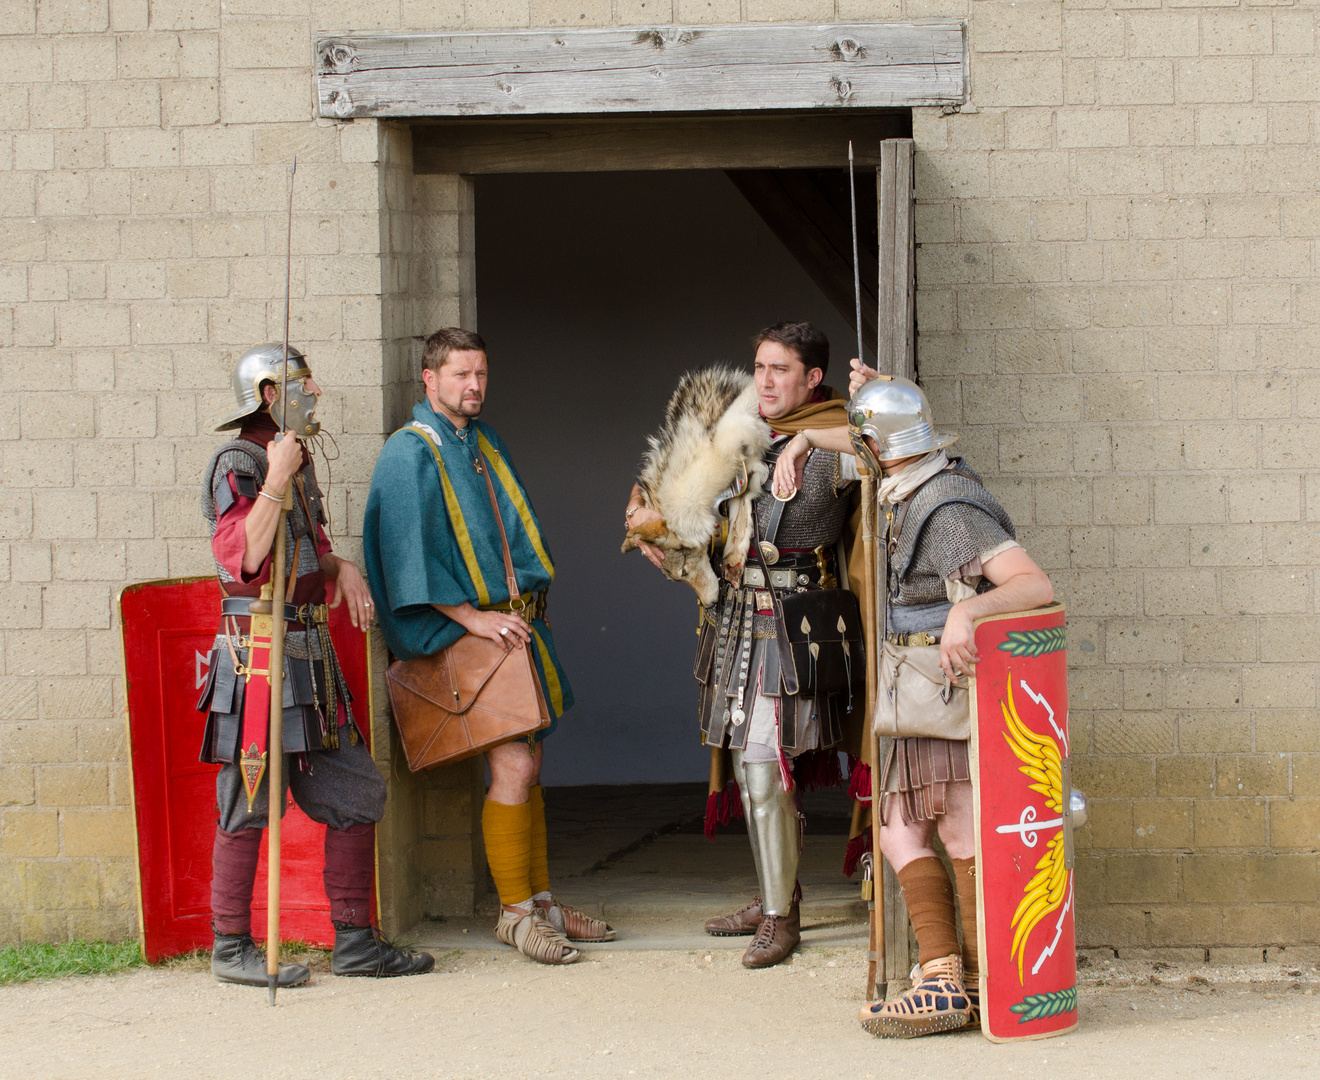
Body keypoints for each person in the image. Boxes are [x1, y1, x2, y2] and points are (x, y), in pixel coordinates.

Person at [363, 327, 609, 966]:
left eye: (480, 375)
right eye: (460, 376)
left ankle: (542, 901)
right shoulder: (408, 452)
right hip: (474, 636)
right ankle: (516, 914)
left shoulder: (479, 440)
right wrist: (469, 617)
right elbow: (402, 554)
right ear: (429, 379)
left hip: (512, 630)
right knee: (515, 767)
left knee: (530, 764)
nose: (473, 387)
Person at [626, 322, 867, 969]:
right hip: (735, 617)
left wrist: (811, 438)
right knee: (749, 767)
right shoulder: (740, 437)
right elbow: (695, 511)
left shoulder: (832, 438)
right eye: (758, 367)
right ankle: (772, 898)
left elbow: (891, 446)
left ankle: (781, 918)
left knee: (764, 771)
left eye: (779, 369)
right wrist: (659, 522)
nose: (762, 380)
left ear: (813, 379)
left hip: (794, 624)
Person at [199, 342, 435, 988]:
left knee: (359, 791)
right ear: (272, 396)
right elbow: (243, 558)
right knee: (248, 802)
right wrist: (274, 478)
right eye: (305, 385)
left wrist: (342, 566)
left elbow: (308, 553)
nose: (319, 395)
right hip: (259, 659)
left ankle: (357, 943)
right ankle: (231, 947)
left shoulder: (294, 459)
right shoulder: (241, 462)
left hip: (309, 659)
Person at [846, 363, 1054, 1038]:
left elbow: (1031, 585)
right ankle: (943, 977)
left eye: (864, 441)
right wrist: (862, 406)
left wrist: (969, 615)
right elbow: (836, 438)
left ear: (881, 447)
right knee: (898, 830)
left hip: (947, 686)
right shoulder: (907, 487)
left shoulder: (946, 503)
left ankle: (977, 980)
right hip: (913, 690)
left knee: (960, 830)